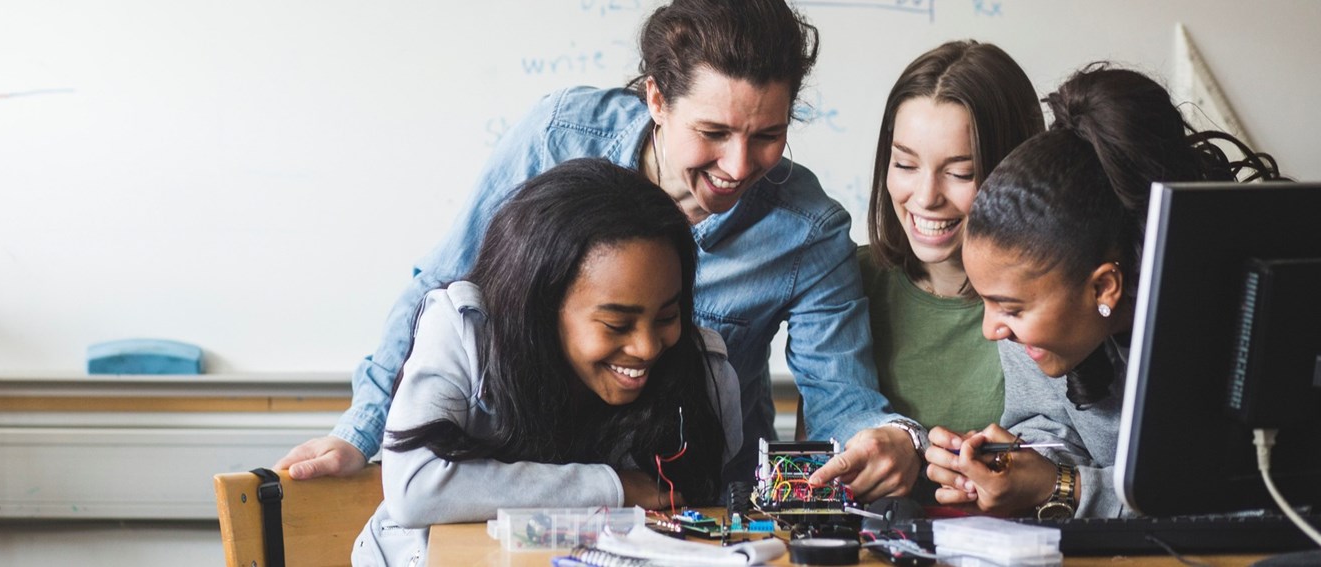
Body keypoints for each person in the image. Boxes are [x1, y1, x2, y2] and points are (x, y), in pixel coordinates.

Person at [281, 0, 923, 498]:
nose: (738, 164)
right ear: (656, 99)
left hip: (692, 499)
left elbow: (842, 400)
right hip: (524, 488)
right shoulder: (558, 139)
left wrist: (889, 440)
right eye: (713, 132)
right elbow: (440, 291)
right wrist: (360, 432)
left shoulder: (808, 230)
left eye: (768, 135)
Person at [922, 65, 1283, 518]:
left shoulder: (1235, 325)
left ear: (1105, 287)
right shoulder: (1034, 330)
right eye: (987, 300)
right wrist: (1018, 469)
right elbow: (1052, 430)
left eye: (1010, 309)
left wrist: (1065, 488)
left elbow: (1241, 499)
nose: (991, 328)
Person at [352, 159, 743, 565]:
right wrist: (615, 487)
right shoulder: (462, 331)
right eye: (616, 323)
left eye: (667, 316)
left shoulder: (704, 376)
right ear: (540, 308)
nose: (647, 347)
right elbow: (417, 489)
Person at [857, 40, 1043, 434]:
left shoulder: (1051, 300)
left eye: (960, 174)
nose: (925, 198)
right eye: (905, 164)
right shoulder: (848, 281)